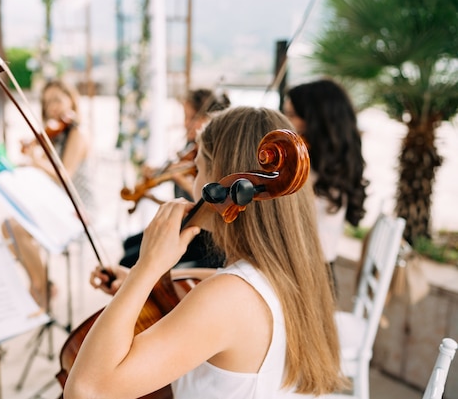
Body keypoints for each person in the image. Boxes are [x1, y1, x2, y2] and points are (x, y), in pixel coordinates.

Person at [64, 107, 348, 399]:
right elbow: (201, 286)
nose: (193, 185)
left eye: (198, 169)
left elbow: (86, 390)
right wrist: (145, 284)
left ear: (226, 185)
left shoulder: (229, 296)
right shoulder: (289, 273)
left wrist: (145, 269)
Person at [1, 79, 92, 311]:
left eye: (57, 100)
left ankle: (40, 289)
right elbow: (46, 173)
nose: (52, 107)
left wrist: (35, 159)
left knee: (16, 227)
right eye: (46, 102)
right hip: (57, 204)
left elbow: (64, 174)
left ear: (72, 100)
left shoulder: (77, 134)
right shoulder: (57, 135)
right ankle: (43, 283)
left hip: (79, 210)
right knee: (8, 226)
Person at [120, 88, 230, 269]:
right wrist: (154, 180)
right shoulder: (190, 149)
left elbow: (213, 210)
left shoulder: (216, 156)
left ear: (212, 119)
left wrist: (184, 182)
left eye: (192, 117)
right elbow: (181, 205)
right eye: (185, 117)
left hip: (207, 237)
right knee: (129, 244)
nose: (186, 124)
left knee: (129, 261)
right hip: (187, 226)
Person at [283, 78, 368, 294]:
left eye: (291, 115)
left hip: (307, 284)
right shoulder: (338, 167)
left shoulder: (308, 173)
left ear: (316, 121)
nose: (284, 123)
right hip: (321, 277)